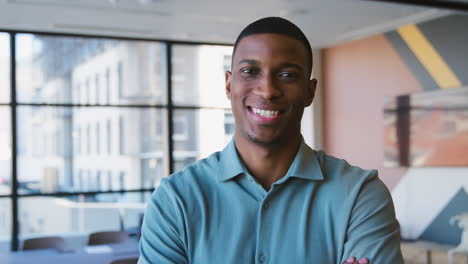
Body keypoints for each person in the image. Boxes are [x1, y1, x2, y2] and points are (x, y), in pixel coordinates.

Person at [138, 17, 403, 264]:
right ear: (229, 86)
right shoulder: (176, 200)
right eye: (250, 71)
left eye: (287, 75)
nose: (267, 90)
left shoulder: (360, 194)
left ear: (309, 92)